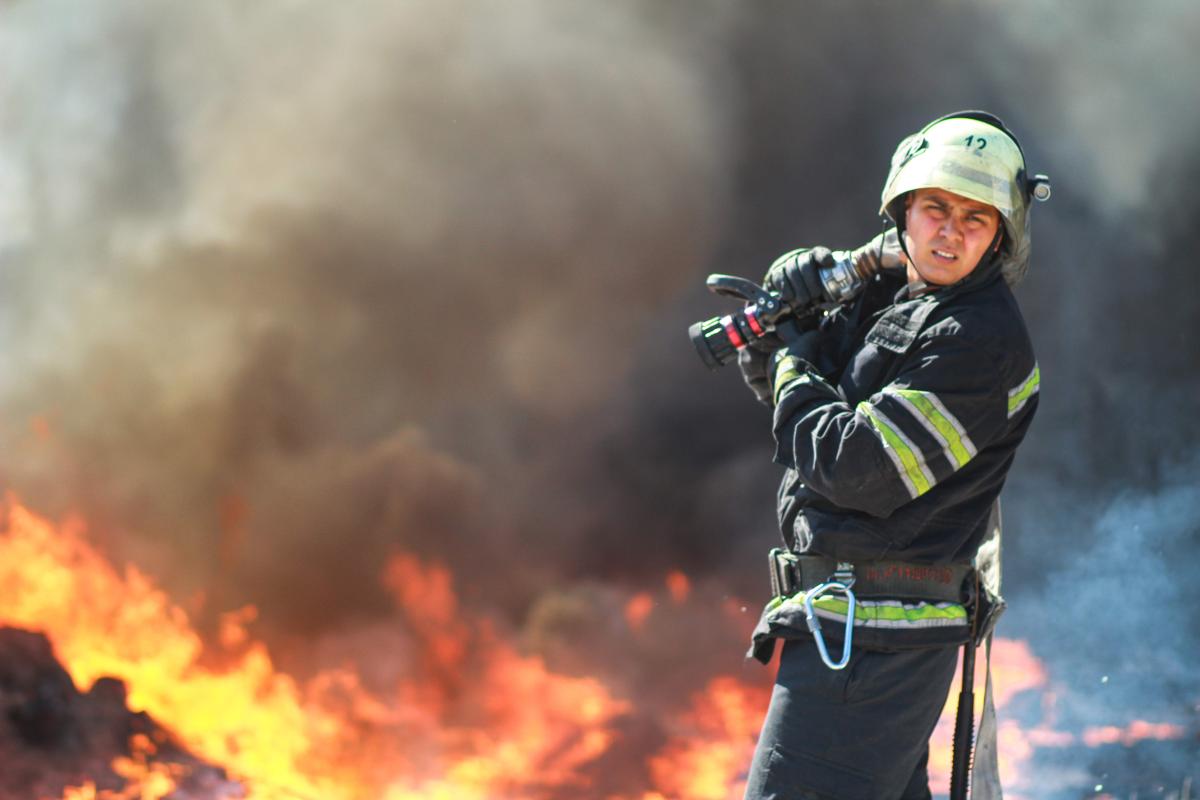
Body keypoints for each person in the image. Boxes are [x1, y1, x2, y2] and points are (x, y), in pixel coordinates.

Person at [737, 111, 1046, 800]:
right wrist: (792, 312)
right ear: (903, 209)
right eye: (936, 208)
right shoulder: (902, 301)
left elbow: (853, 467)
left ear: (1000, 237)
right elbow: (794, 408)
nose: (951, 232)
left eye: (975, 218)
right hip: (858, 637)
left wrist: (790, 363)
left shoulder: (976, 341)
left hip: (871, 651)